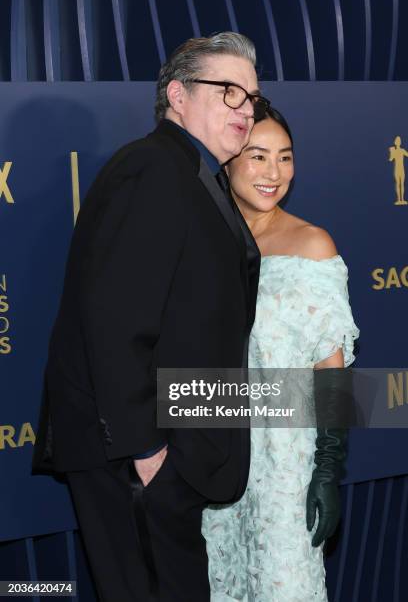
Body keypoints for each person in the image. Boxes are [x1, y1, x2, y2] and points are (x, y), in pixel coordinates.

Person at [32, 32, 270, 602]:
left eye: (253, 98)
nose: (246, 109)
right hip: (135, 455)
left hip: (165, 448)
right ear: (178, 96)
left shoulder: (197, 175)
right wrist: (146, 453)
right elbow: (113, 319)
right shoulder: (154, 168)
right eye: (229, 92)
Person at [202, 107, 359, 601]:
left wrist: (328, 467)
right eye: (258, 156)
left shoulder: (312, 245)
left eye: (285, 158)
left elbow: (330, 372)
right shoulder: (202, 241)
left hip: (287, 468)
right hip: (214, 458)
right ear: (227, 160)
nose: (274, 173)